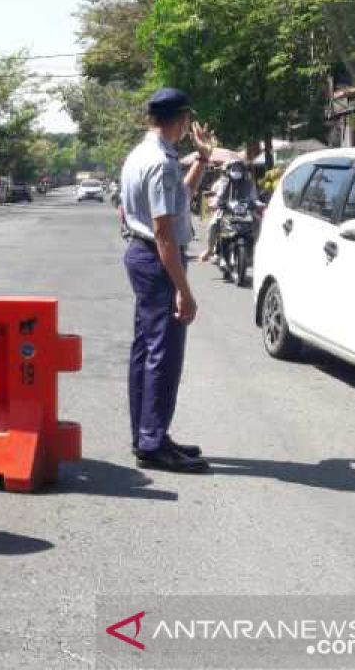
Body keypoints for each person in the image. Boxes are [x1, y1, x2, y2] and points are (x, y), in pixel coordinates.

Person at [119, 88, 215, 473]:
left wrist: (203, 158)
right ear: (182, 120)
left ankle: (148, 434)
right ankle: (153, 442)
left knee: (146, 350)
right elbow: (164, 232)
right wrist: (183, 290)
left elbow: (181, 197)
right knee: (164, 354)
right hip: (158, 258)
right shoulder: (159, 161)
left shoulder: (144, 155)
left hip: (144, 255)